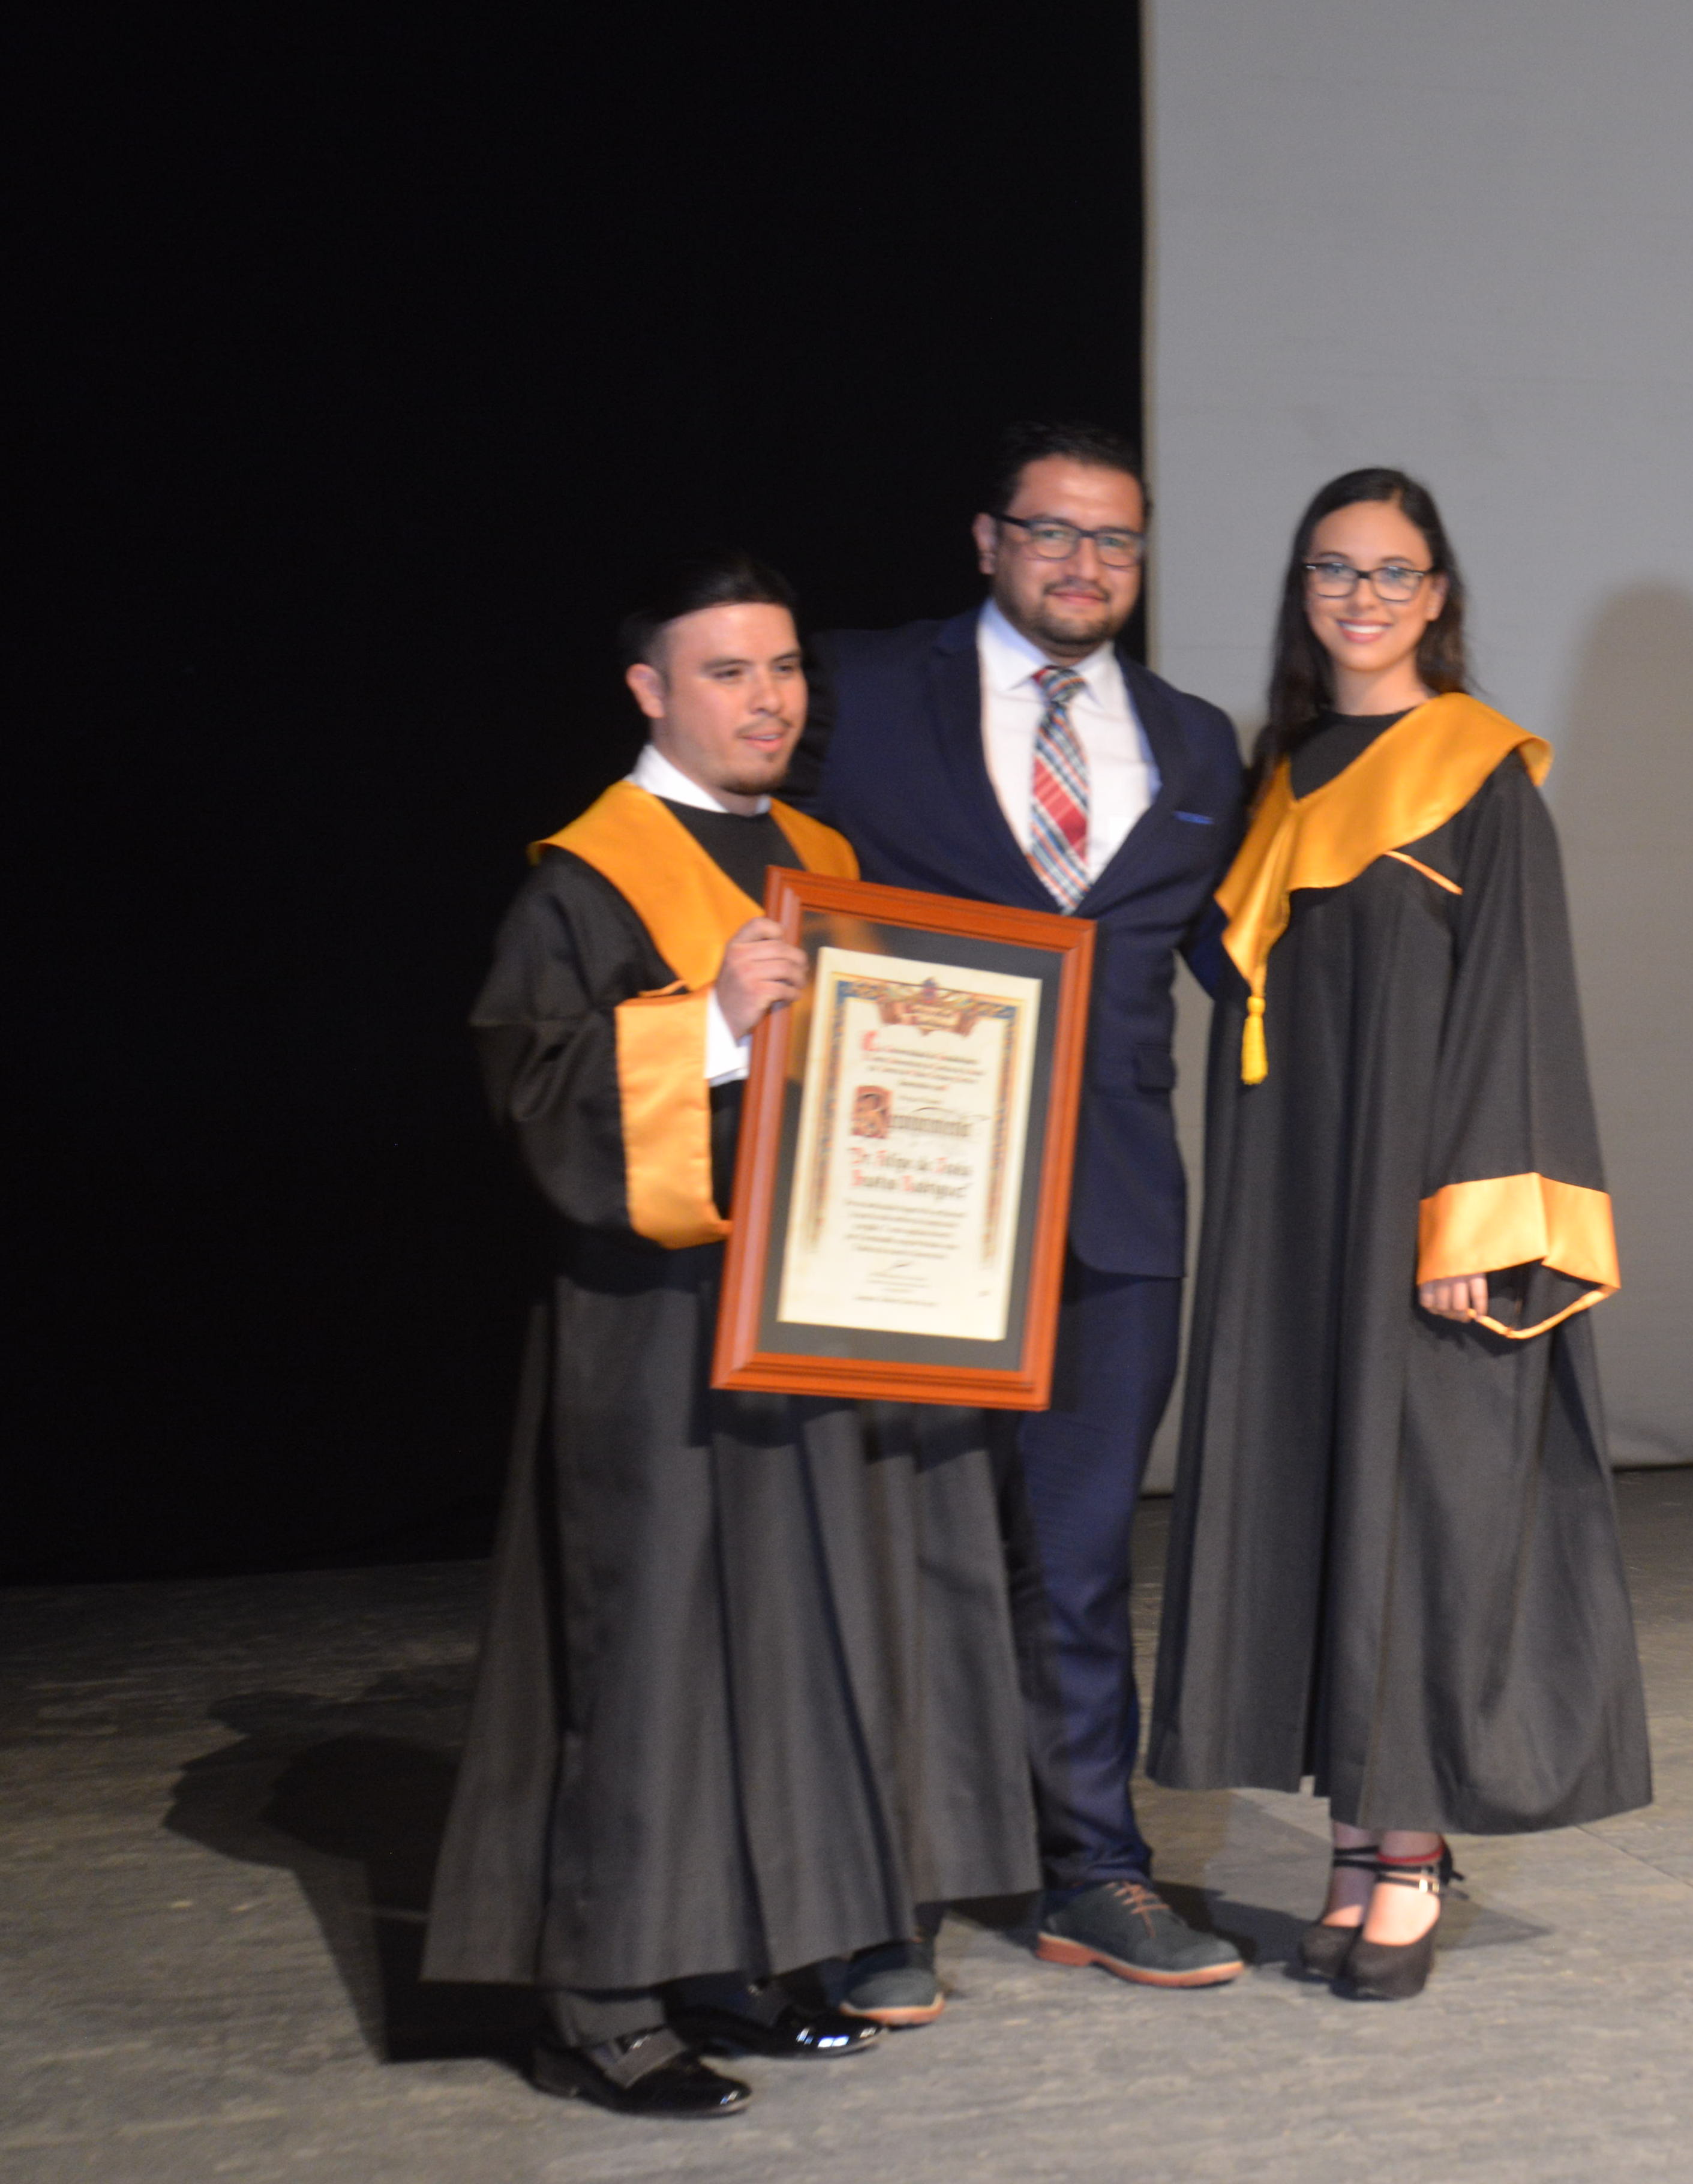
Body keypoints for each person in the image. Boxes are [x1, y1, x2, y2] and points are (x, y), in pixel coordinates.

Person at [423, 553, 1038, 2116]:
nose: (769, 700)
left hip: (810, 1320)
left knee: (777, 1649)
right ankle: (603, 2004)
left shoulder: (819, 854)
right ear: (650, 690)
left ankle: (734, 1963)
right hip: (654, 1335)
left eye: (784, 668)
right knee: (649, 1662)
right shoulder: (588, 878)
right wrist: (705, 1023)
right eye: (727, 671)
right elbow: (534, 1096)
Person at [1147, 469, 1652, 2001]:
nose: (1361, 597)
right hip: (1298, 1206)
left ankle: (1415, 1849)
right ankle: (1358, 1841)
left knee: (1421, 1514)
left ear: (1438, 596)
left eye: (1392, 571)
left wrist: (1474, 1218)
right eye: (1334, 568)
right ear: (1303, 590)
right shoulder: (1284, 773)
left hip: (1423, 1208)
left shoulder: (1480, 774)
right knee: (1327, 1500)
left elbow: (1517, 1004)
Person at [791, 424, 1247, 1987]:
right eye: (1053, 531)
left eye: (1115, 540)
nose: (1084, 564)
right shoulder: (855, 687)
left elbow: (1256, 971)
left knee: (1082, 1559)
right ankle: (872, 1894)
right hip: (901, 1199)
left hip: (1114, 1216)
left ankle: (1091, 1870)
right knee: (893, 1555)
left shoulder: (1196, 745)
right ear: (987, 540)